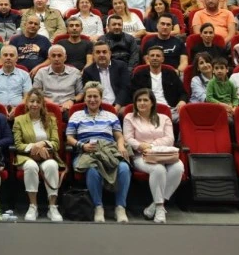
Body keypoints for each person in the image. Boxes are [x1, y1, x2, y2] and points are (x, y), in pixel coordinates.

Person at [67, 81, 130, 223]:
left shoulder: (111, 115)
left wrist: (121, 146)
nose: (92, 100)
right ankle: (98, 207)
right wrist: (82, 146)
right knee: (92, 169)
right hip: (86, 151)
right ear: (84, 98)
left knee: (124, 167)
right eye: (89, 96)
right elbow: (69, 138)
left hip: (108, 150)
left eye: (95, 96)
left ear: (101, 98)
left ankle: (120, 207)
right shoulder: (76, 115)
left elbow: (119, 136)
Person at [123, 88, 184, 224]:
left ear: (152, 103)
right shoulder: (129, 118)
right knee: (158, 169)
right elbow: (127, 138)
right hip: (141, 156)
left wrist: (151, 145)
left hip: (163, 154)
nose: (142, 103)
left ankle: (154, 206)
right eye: (139, 100)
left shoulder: (164, 118)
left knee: (179, 167)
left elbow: (170, 139)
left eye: (145, 100)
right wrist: (140, 146)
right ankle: (160, 208)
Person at [13, 88, 65, 222]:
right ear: (27, 103)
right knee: (31, 166)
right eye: (32, 101)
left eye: (38, 102)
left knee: (52, 165)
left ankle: (52, 207)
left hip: (46, 156)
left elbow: (56, 143)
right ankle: (33, 206)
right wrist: (34, 147)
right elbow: (18, 145)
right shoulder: (19, 120)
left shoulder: (51, 120)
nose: (34, 104)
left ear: (42, 104)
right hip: (27, 157)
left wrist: (43, 143)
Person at [131, 46, 188, 123]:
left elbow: (183, 93)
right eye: (152, 55)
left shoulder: (171, 74)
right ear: (148, 58)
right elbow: (133, 94)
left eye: (158, 56)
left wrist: (182, 101)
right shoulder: (139, 75)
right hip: (147, 110)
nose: (155, 58)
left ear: (162, 59)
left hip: (169, 110)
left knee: (186, 117)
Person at [32, 45, 84, 114]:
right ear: (49, 58)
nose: (56, 59)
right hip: (47, 107)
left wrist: (72, 100)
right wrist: (46, 100)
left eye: (59, 55)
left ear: (65, 58)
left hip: (68, 108)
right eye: (53, 56)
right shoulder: (41, 73)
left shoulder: (75, 72)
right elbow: (35, 93)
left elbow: (81, 94)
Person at [82, 40, 130, 112]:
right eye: (98, 52)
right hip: (98, 107)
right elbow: (89, 93)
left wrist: (116, 107)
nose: (101, 55)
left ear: (110, 54)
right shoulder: (88, 71)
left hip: (119, 105)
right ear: (93, 55)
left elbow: (125, 88)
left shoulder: (121, 66)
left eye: (104, 52)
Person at [0, 45, 32, 116]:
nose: (8, 58)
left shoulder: (25, 75)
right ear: (0, 58)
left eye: (11, 55)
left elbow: (28, 96)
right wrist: (2, 109)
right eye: (5, 55)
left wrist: (17, 109)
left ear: (16, 58)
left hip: (20, 112)